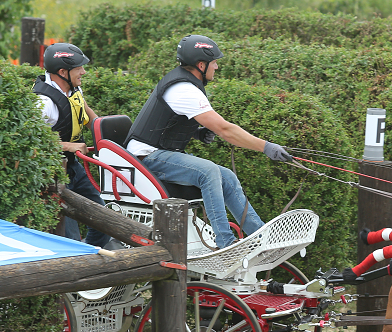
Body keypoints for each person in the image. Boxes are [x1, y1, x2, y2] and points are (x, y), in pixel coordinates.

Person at [125, 34, 292, 249]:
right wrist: (266, 147)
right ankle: (225, 243)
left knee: (228, 177)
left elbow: (169, 122)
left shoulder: (186, 84)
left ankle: (262, 239)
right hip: (146, 157)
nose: (217, 67)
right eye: (214, 62)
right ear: (201, 65)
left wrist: (197, 133)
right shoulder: (184, 90)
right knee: (208, 171)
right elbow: (225, 129)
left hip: (158, 152)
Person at [34, 43, 111, 248]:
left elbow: (86, 114)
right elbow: (32, 140)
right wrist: (69, 146)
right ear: (62, 72)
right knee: (68, 238)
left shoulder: (74, 89)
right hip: (52, 173)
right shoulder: (43, 102)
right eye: (79, 68)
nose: (83, 72)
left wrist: (106, 134)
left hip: (74, 167)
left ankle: (90, 262)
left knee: (104, 222)